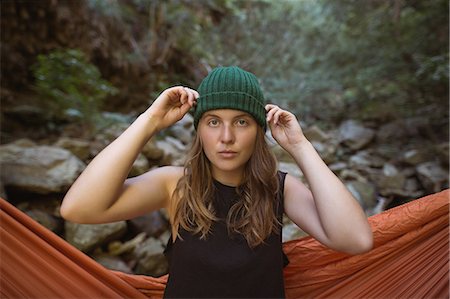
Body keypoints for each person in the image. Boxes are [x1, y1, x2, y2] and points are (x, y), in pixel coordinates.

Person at [60, 66, 373, 298]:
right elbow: (78, 208)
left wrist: (300, 146)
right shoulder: (175, 186)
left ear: (258, 129)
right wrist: (150, 122)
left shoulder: (279, 188)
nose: (226, 138)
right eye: (213, 122)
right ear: (199, 130)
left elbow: (356, 240)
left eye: (241, 122)